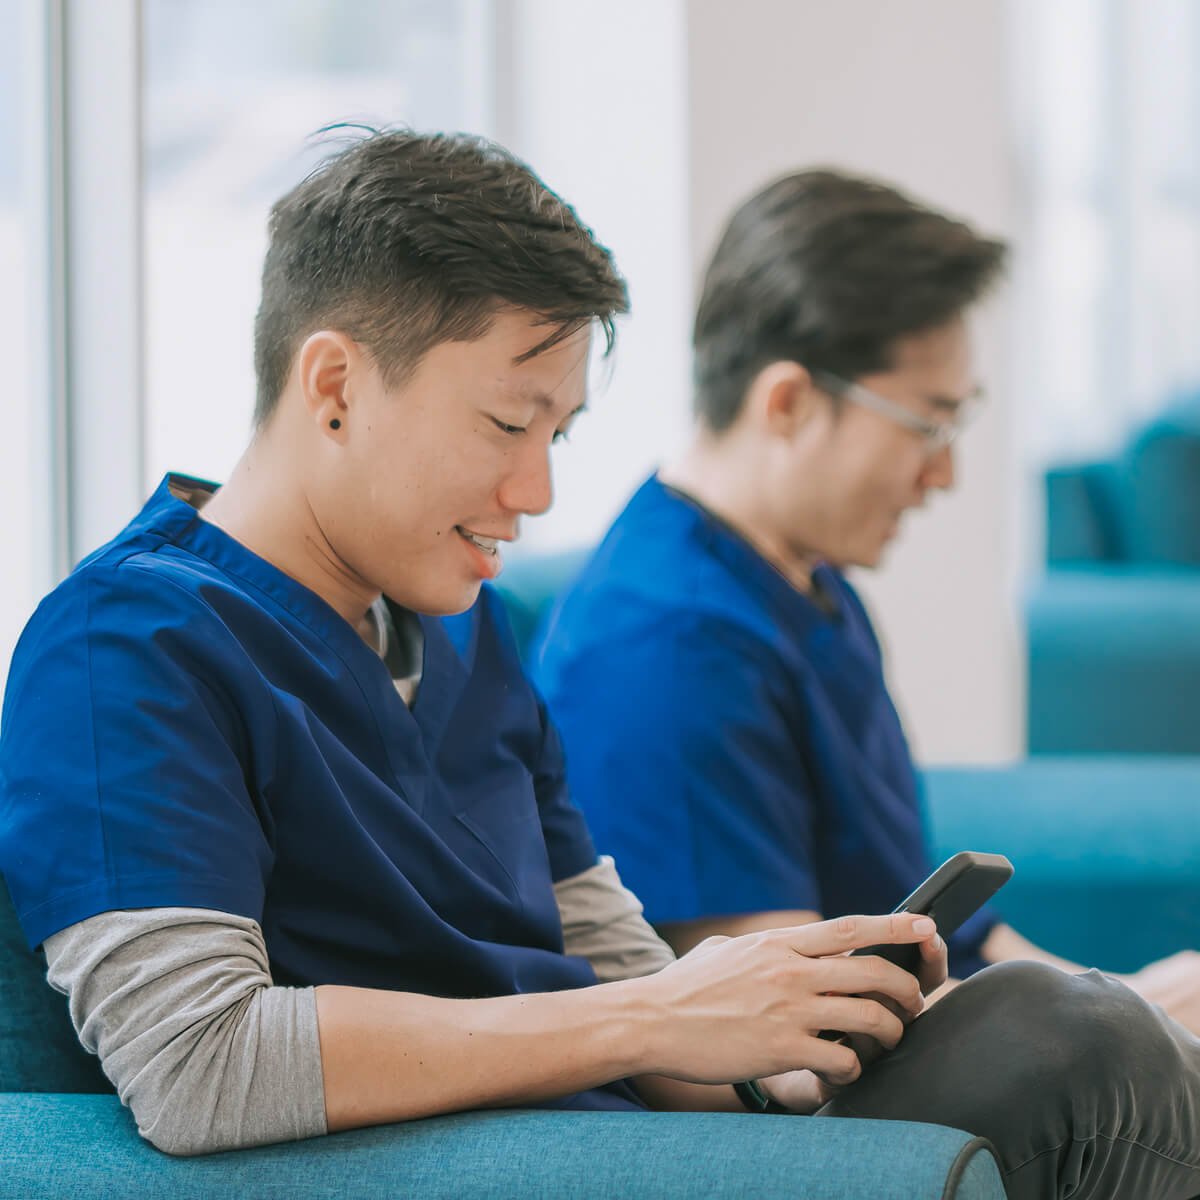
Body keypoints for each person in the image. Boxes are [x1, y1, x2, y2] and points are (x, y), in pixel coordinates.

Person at [0, 133, 1197, 1199]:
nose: (540, 493)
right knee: (1074, 1039)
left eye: (560, 436)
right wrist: (655, 1016)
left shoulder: (468, 632)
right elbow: (195, 1064)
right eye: (509, 426)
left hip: (650, 1140)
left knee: (1063, 1030)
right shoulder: (129, 648)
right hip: (540, 1168)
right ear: (335, 386)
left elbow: (620, 967)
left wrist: (778, 1044)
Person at [530, 168, 1200, 1016]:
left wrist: (1129, 1002)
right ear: (790, 402)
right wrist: (1126, 1032)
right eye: (928, 424)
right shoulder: (669, 648)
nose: (945, 473)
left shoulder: (804, 580)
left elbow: (950, 928)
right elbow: (790, 1035)